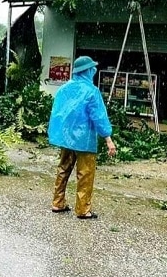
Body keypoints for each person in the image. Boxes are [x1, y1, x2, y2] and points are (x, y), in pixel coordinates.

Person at [48, 56, 117, 219]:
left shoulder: (64, 89)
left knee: (63, 169)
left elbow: (58, 114)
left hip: (66, 138)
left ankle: (57, 203)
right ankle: (83, 210)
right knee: (85, 174)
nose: (94, 70)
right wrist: (108, 139)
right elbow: (98, 116)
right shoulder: (91, 91)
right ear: (87, 71)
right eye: (92, 68)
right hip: (84, 139)